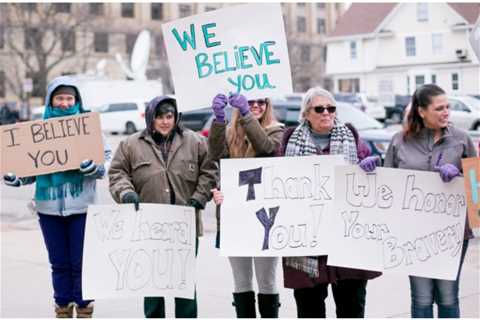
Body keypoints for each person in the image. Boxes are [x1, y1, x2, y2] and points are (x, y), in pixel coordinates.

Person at [3, 76, 112, 318]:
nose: (65, 103)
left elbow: (107, 159)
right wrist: (17, 178)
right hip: (48, 208)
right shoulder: (37, 131)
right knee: (59, 262)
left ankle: (84, 306)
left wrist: (95, 168)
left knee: (81, 261)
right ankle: (62, 305)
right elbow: (31, 168)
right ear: (51, 101)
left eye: (69, 98)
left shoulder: (88, 127)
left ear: (76, 100)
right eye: (60, 98)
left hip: (83, 207)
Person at [276, 86, 381, 318]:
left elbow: (372, 183)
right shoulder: (289, 140)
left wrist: (371, 167)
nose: (326, 113)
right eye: (319, 108)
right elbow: (274, 185)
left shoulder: (352, 138)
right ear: (306, 114)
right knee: (309, 307)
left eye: (331, 108)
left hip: (346, 239)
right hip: (305, 242)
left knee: (351, 306)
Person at [108, 96, 217, 318]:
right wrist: (126, 193)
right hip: (148, 228)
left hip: (183, 226)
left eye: (170, 116)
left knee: (183, 281)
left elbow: (210, 170)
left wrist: (199, 197)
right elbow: (117, 173)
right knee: (152, 283)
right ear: (151, 118)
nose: (165, 121)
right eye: (160, 117)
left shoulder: (195, 142)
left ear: (177, 117)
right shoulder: (131, 144)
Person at [382, 84, 477, 318]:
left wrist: (460, 176)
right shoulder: (399, 141)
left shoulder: (462, 139)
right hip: (413, 232)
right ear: (422, 111)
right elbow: (385, 189)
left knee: (447, 295)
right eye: (439, 108)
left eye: (448, 107)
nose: (446, 112)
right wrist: (371, 170)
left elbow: (477, 191)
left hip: (452, 233)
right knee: (422, 297)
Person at [208, 92, 285, 318]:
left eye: (261, 101)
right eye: (250, 102)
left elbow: (265, 148)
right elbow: (215, 155)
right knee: (241, 281)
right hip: (235, 216)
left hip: (264, 218)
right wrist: (219, 120)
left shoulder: (276, 130)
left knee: (267, 280)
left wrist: (245, 113)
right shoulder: (232, 132)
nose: (256, 106)